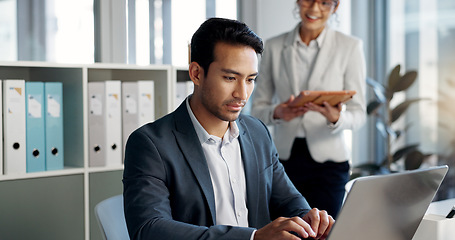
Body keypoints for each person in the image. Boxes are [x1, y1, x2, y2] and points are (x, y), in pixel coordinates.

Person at [123, 17, 335, 240]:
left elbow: (288, 200)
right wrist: (252, 238)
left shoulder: (257, 132)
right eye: (230, 78)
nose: (242, 94)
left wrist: (309, 219)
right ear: (196, 73)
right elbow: (149, 229)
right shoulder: (150, 144)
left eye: (250, 79)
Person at [251, 0, 366, 218]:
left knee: (323, 230)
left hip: (329, 164)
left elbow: (359, 114)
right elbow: (257, 109)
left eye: (324, 2)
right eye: (308, 0)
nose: (314, 9)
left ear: (336, 6)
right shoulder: (274, 47)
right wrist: (278, 112)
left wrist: (337, 118)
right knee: (287, 231)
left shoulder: (350, 47)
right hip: (284, 161)